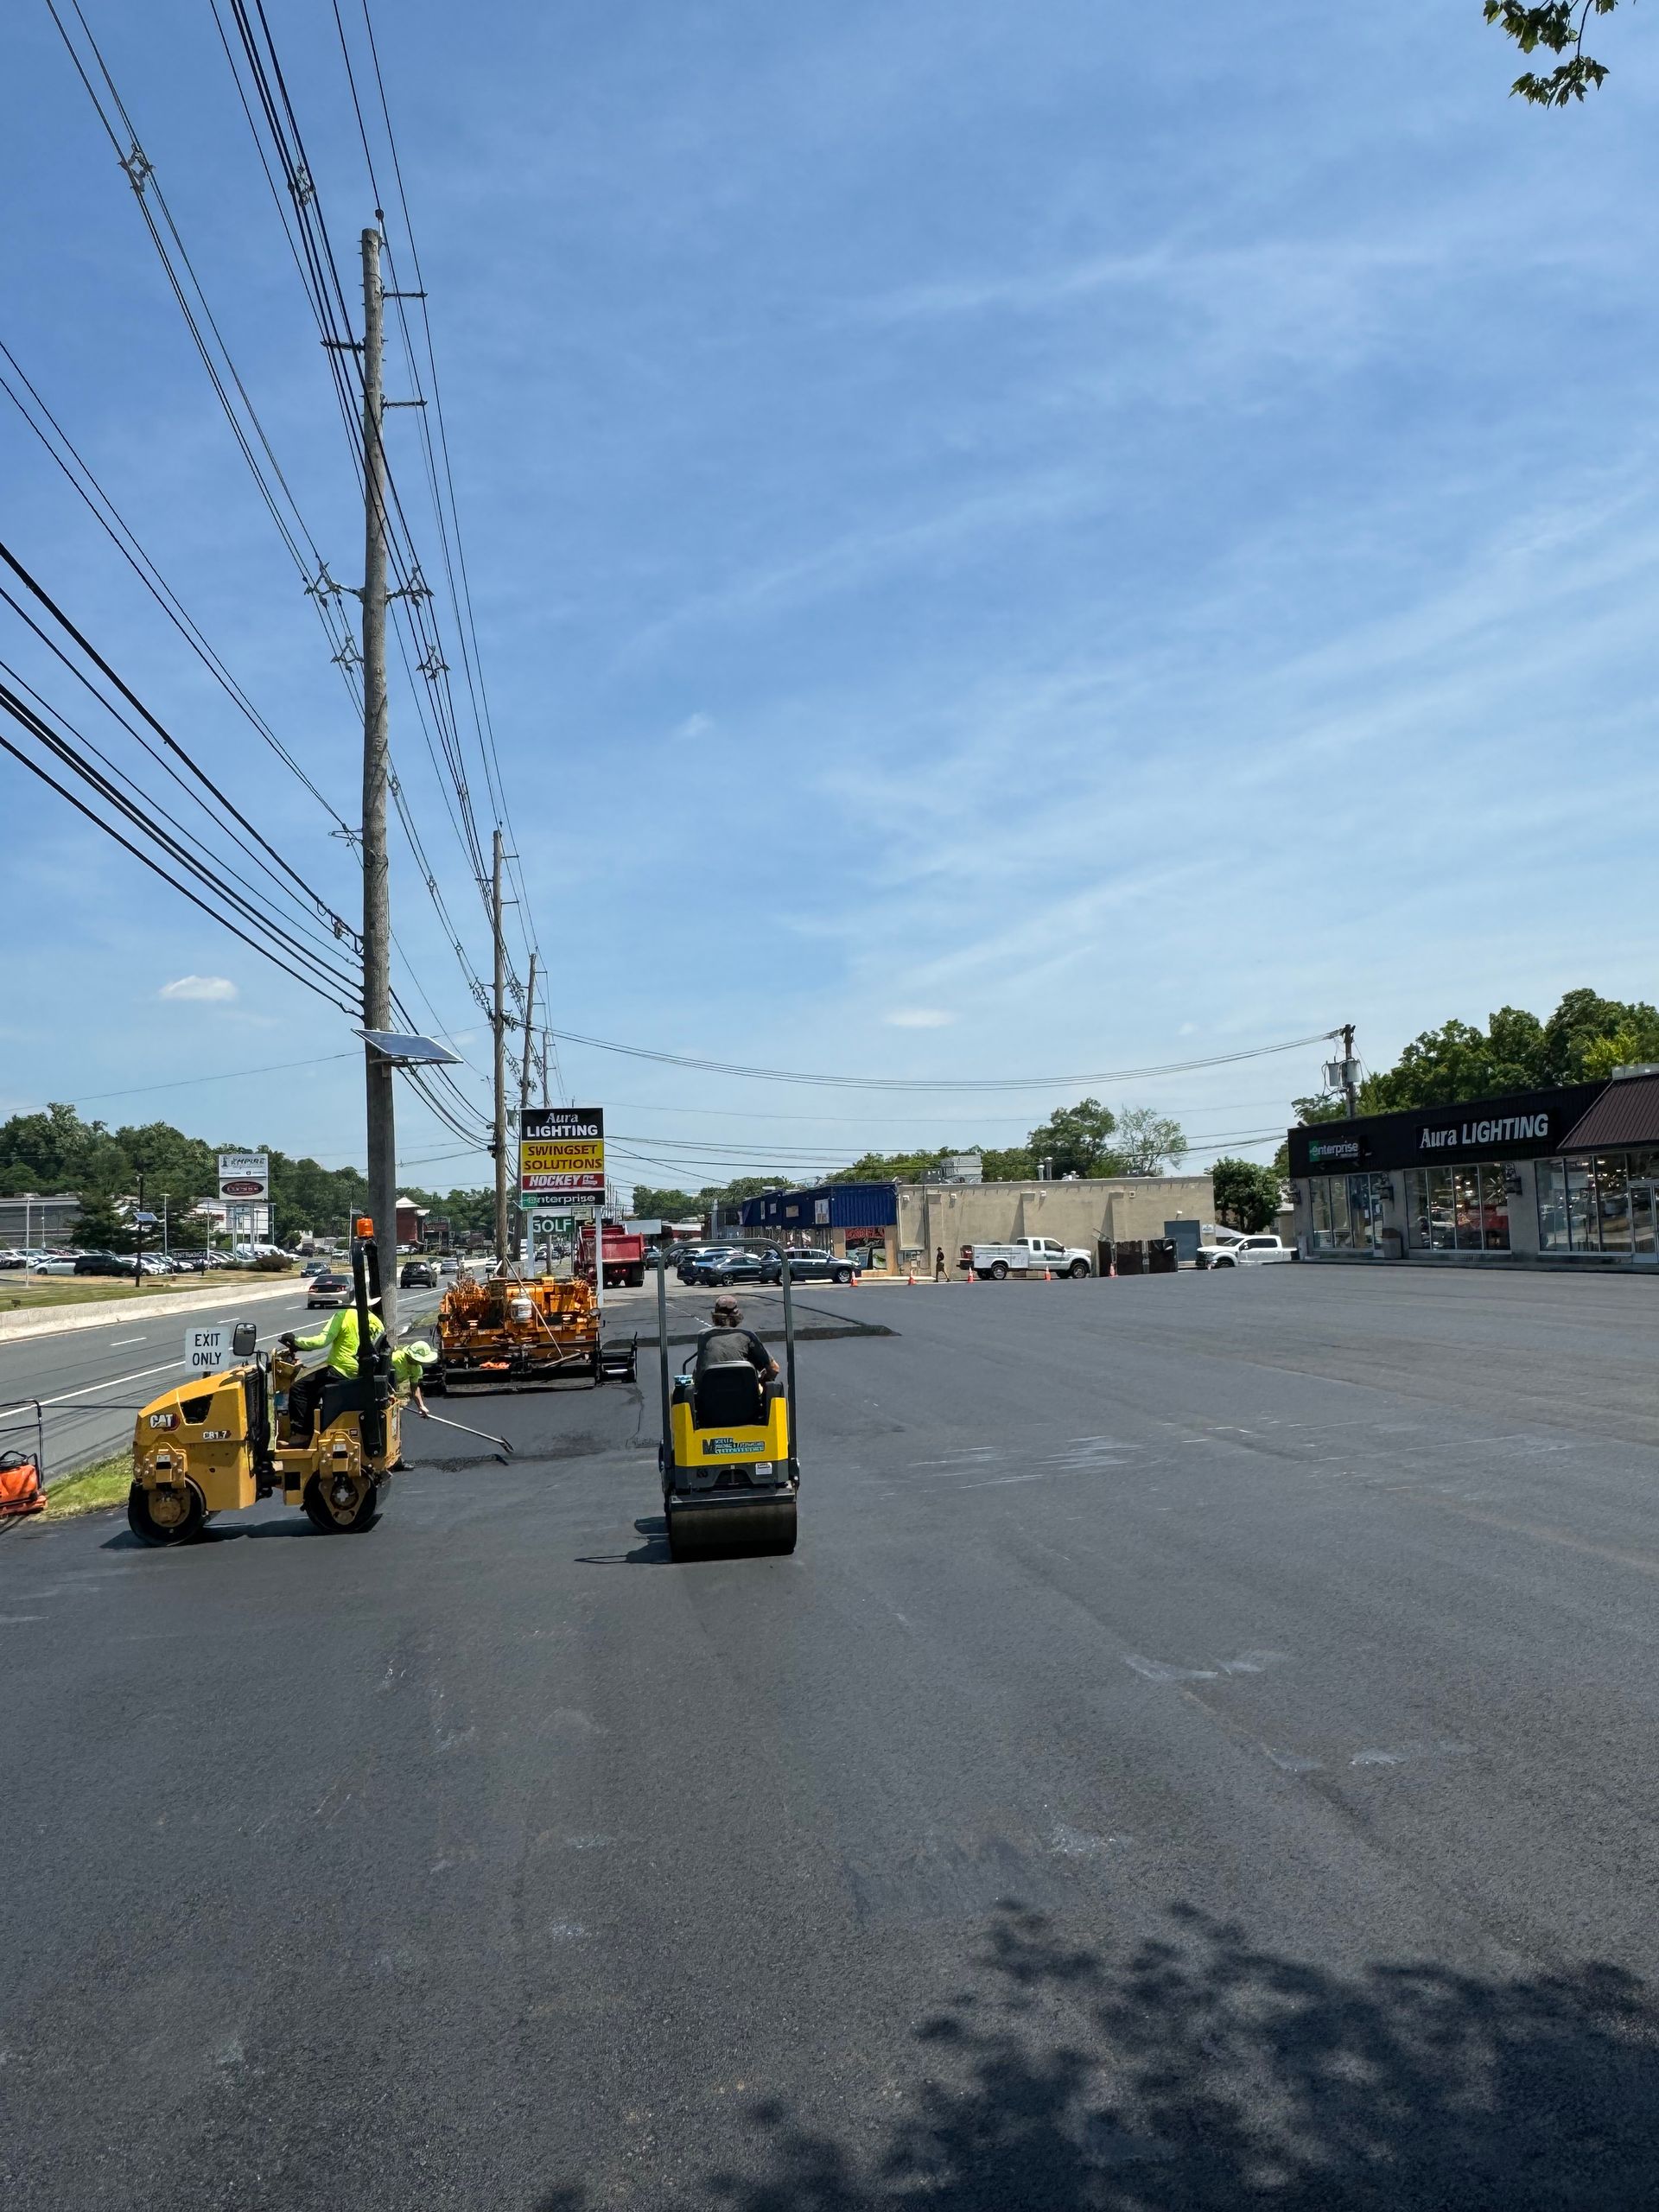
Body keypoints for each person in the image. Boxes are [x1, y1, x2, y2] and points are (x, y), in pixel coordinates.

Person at [280, 1300, 385, 1440]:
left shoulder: (344, 1316)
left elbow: (322, 1341)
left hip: (340, 1370)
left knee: (299, 1389)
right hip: (360, 1372)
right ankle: (315, 1426)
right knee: (313, 1384)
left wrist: (296, 1340)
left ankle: (303, 1434)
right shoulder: (377, 1322)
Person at [695, 1296, 779, 1384]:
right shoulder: (747, 1336)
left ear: (715, 1316)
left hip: (708, 1395)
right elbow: (774, 1368)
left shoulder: (703, 1335)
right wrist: (761, 1381)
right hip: (745, 1395)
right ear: (736, 1314)